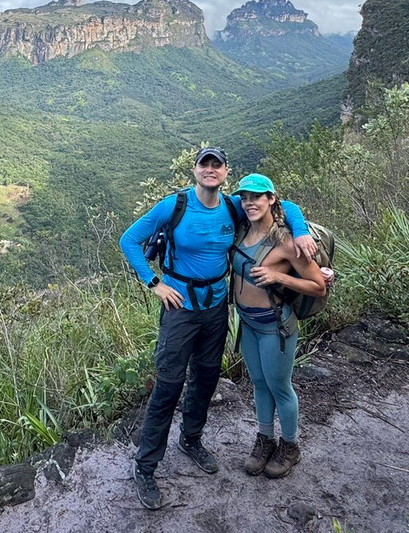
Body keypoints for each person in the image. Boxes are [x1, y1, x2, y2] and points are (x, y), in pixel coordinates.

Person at [119, 147, 317, 510]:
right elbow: (128, 240)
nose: (210, 169)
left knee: (206, 378)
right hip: (179, 309)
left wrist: (301, 230)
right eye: (204, 164)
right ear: (194, 170)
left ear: (226, 172)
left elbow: (282, 206)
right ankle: (145, 467)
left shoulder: (233, 206)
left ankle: (190, 439)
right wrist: (154, 283)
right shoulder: (174, 205)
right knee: (168, 385)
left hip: (215, 309)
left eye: (217, 165)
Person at [230, 173, 327, 479]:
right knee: (259, 384)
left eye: (257, 197)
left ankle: (290, 445)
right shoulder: (242, 229)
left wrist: (279, 277)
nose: (249, 203)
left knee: (279, 387)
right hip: (248, 324)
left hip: (275, 327)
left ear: (271, 199)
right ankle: (264, 439)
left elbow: (318, 285)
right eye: (245, 197)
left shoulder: (286, 241)